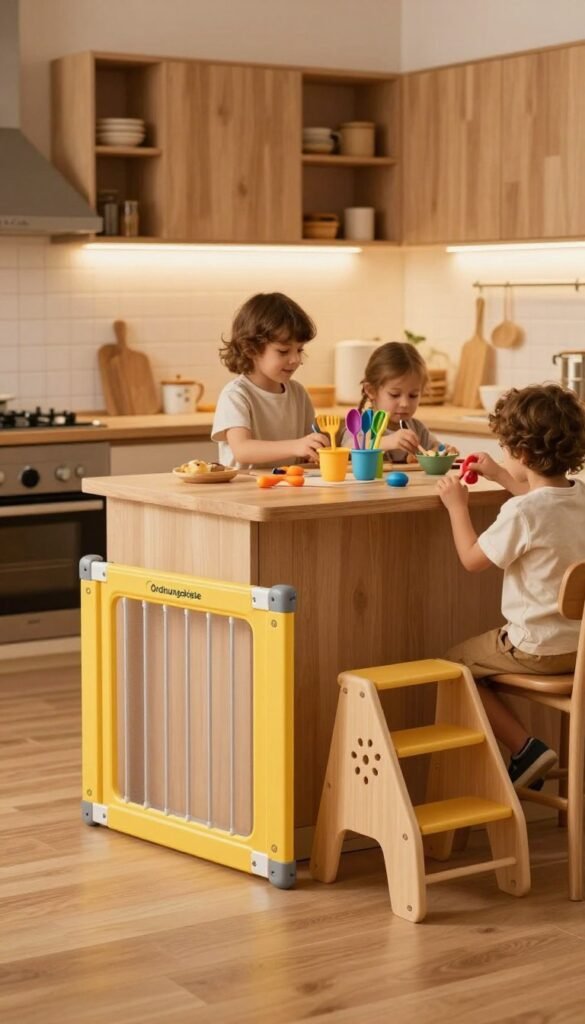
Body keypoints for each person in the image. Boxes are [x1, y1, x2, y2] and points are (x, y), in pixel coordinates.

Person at [436, 383, 585, 790]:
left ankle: (526, 748)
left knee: (452, 665)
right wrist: (501, 476)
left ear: (520, 453)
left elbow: (471, 559)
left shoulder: (521, 511)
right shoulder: (580, 498)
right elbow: (542, 506)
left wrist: (457, 507)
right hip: (580, 650)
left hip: (536, 650)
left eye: (504, 449)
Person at [211, 292, 326, 469]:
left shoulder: (298, 393)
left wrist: (316, 448)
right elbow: (242, 449)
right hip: (242, 491)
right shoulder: (236, 394)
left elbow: (306, 444)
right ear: (250, 349)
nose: (295, 359)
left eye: (300, 350)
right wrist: (296, 446)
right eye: (283, 351)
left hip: (287, 488)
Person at [340, 341, 456, 459]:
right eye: (395, 395)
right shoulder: (363, 424)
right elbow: (346, 448)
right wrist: (387, 442)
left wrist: (443, 452)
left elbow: (434, 448)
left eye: (413, 395)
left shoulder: (417, 429)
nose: (405, 404)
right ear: (371, 391)